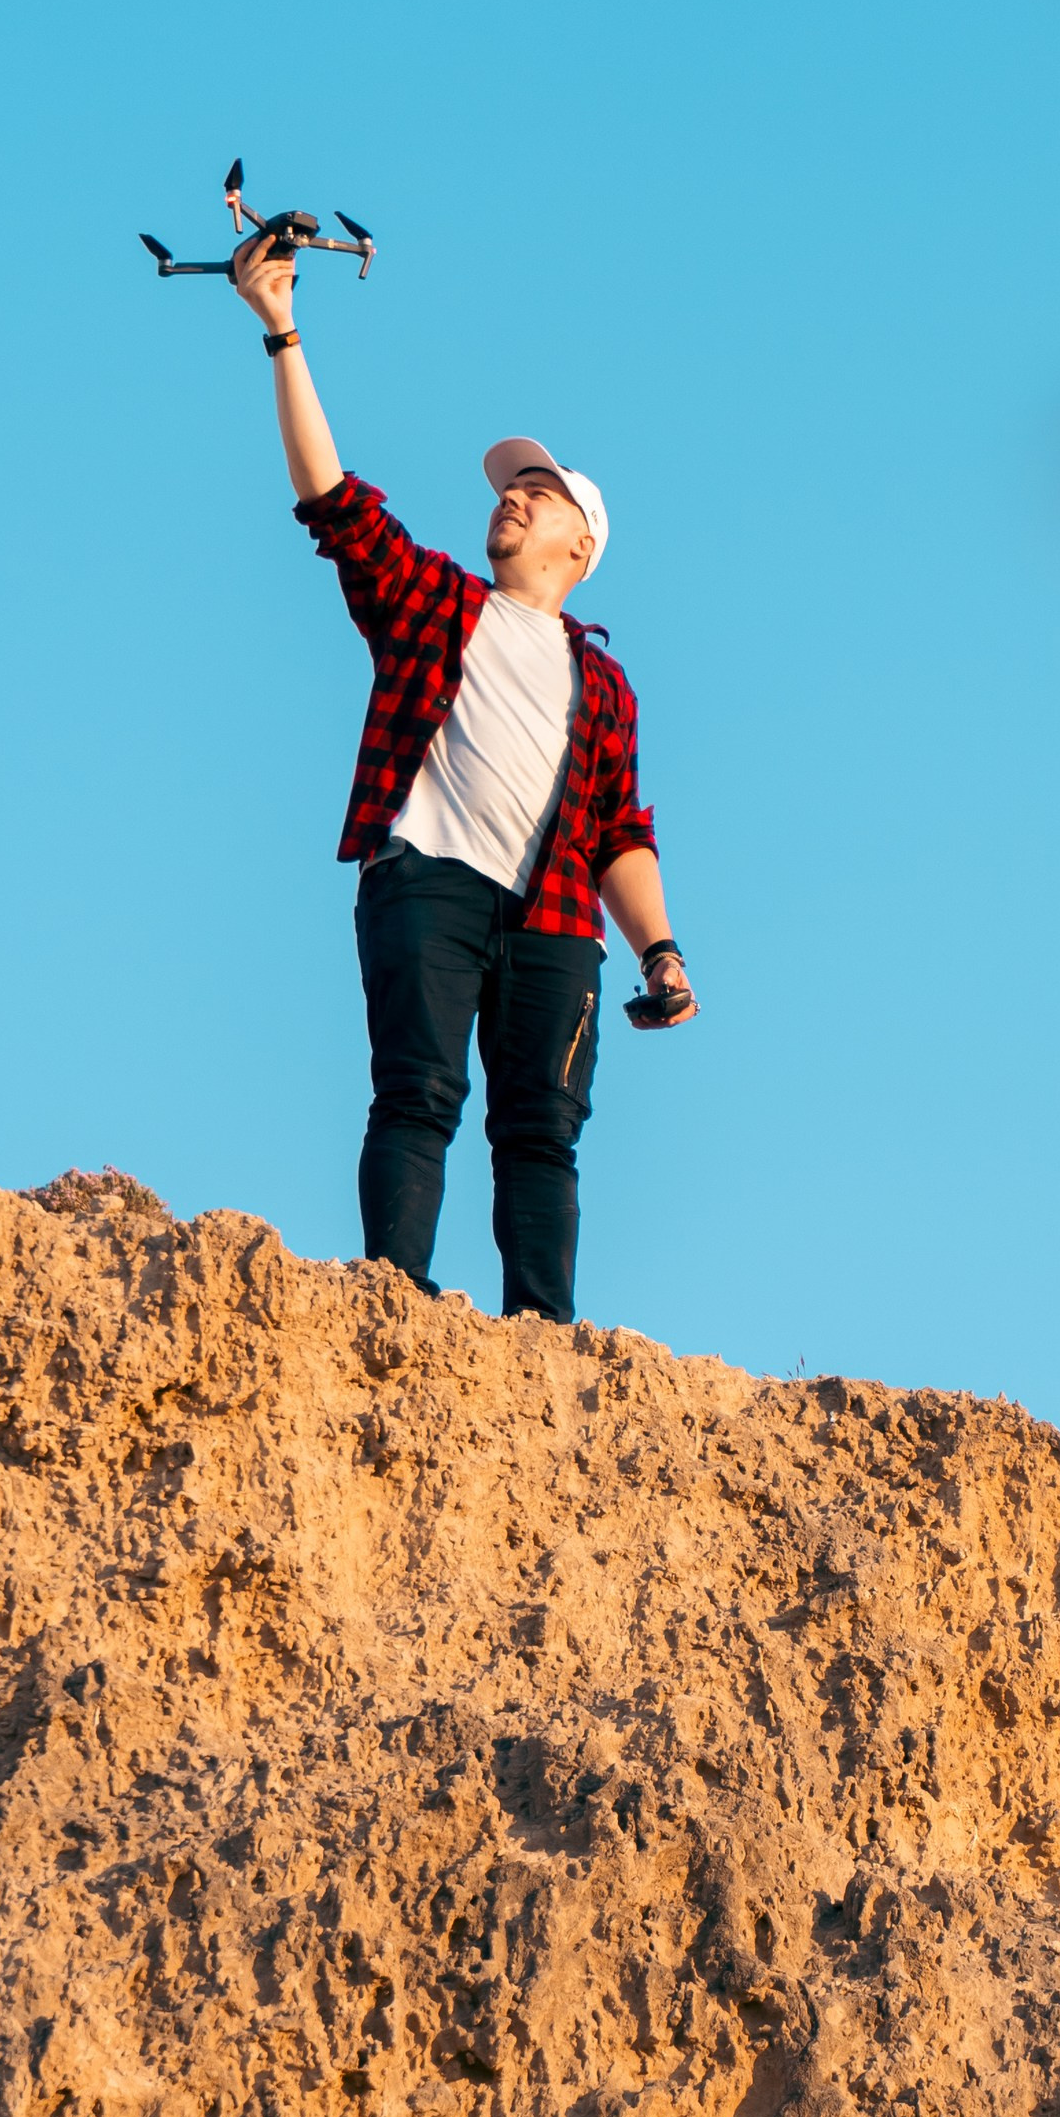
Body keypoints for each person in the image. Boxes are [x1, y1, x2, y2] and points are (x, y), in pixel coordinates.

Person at [232, 227, 697, 1326]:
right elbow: (333, 501)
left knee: (541, 1132)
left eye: (538, 492)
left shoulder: (605, 683)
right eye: (507, 488)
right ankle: (393, 1306)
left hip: (554, 923)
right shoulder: (437, 603)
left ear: (581, 545)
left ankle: (543, 1340)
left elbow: (621, 830)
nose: (513, 499)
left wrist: (663, 951)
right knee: (416, 1095)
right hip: (426, 881)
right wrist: (284, 332)